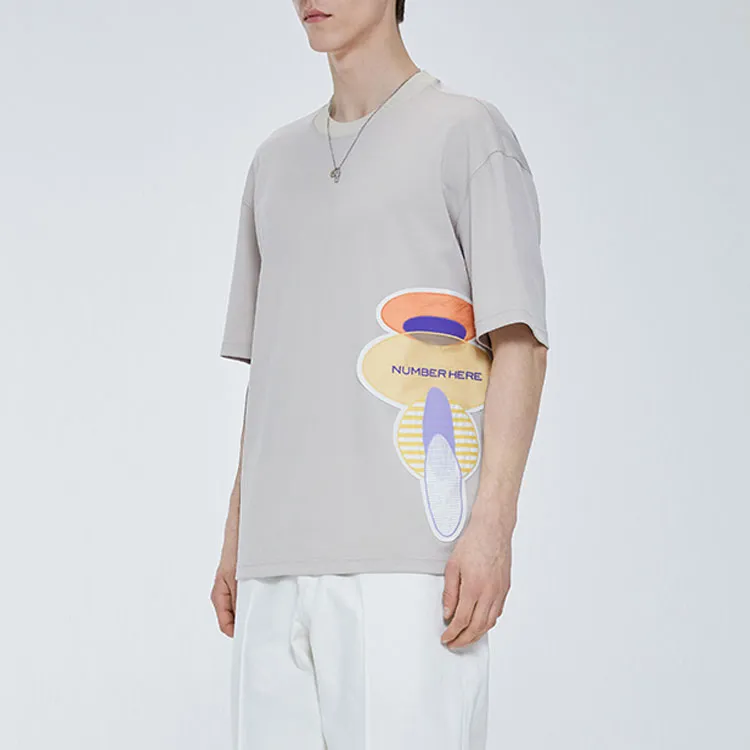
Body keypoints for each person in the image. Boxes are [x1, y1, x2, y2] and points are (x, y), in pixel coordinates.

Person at [212, 1, 549, 747]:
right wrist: (239, 533)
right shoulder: (273, 164)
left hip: (409, 564)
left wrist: (493, 526)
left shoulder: (466, 134)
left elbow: (521, 344)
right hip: (275, 564)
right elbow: (275, 371)